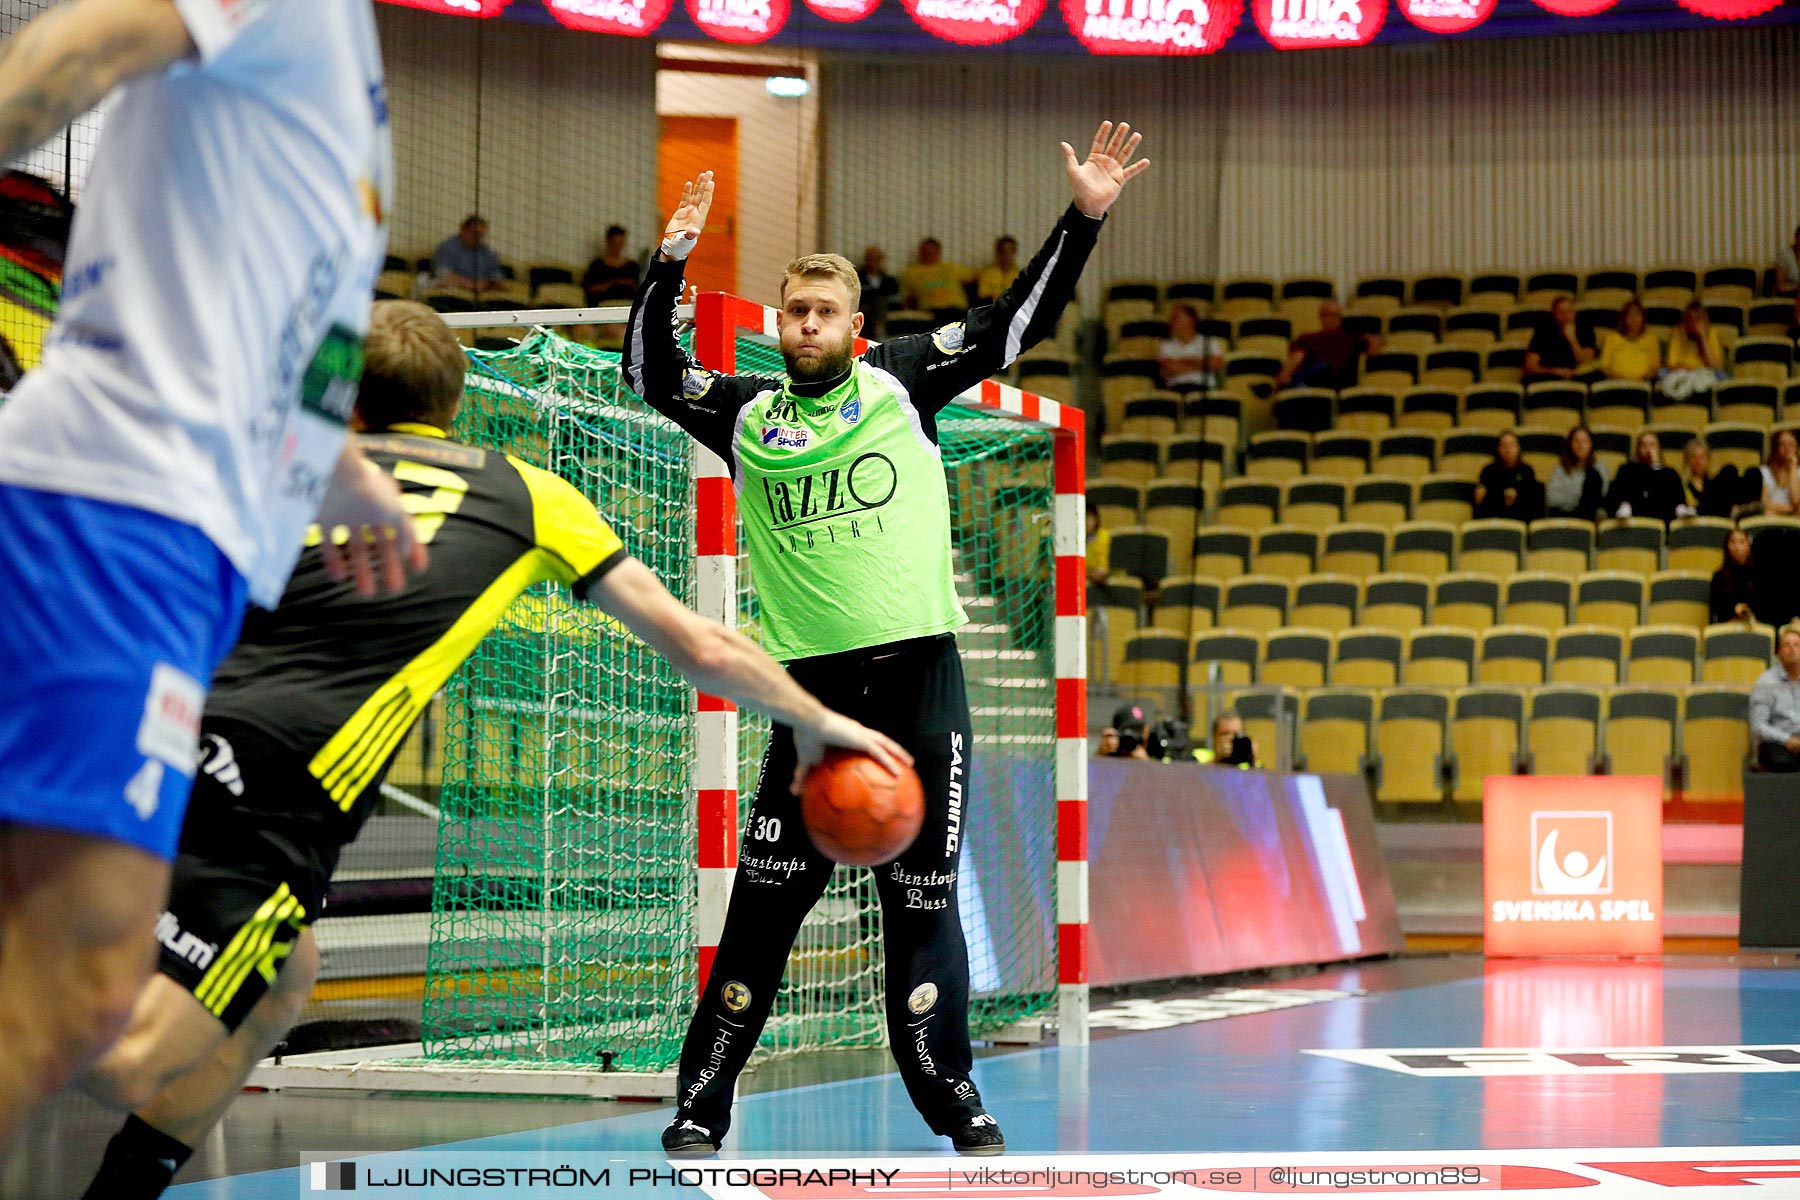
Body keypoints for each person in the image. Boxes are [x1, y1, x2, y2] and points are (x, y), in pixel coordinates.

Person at [67, 301, 907, 1200]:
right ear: (457, 405)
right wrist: (822, 722)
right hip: (278, 785)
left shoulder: (284, 461)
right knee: (123, 1060)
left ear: (351, 406)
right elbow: (700, 644)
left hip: (138, 728)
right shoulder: (525, 497)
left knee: (285, 974)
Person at [623, 119, 1149, 1158]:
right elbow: (651, 374)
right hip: (808, 706)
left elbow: (1010, 326)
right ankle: (700, 1107)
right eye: (794, 311)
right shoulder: (746, 415)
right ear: (778, 323)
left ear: (855, 324)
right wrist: (667, 264)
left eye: (825, 311)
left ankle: (956, 1103)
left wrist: (1082, 220)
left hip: (919, 685)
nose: (807, 325)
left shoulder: (901, 381)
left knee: (922, 905)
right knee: (760, 918)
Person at [0, 0, 421, 1160]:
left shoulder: (347, 71)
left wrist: (330, 465)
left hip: (176, 543)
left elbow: (262, 314)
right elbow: (80, 46)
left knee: (68, 975)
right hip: (118, 508)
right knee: (81, 979)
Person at [1271, 297, 1377, 391]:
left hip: (1341, 381)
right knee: (1317, 369)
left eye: (1335, 315)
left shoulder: (1352, 337)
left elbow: (1374, 348)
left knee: (1323, 367)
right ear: (1320, 317)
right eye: (1327, 315)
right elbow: (1296, 358)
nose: (1331, 319)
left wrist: (1365, 333)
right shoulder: (1308, 338)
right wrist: (1286, 372)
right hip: (1314, 383)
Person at [1606, 429, 1686, 522]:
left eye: (1652, 445)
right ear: (1638, 449)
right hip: (1633, 522)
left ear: (1659, 449)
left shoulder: (1670, 474)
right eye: (1644, 445)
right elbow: (1614, 498)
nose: (1648, 449)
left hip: (1663, 521)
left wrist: (1655, 466)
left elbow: (1666, 499)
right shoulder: (1626, 471)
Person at [1750, 627, 1800, 773]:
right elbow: (1758, 726)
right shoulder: (1766, 681)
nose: (1791, 649)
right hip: (1778, 744)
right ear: (1778, 653)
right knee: (1778, 759)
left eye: (1797, 645)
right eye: (1786, 645)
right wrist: (1787, 740)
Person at [1660, 302, 1730, 400]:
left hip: (1706, 373)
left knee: (1724, 376)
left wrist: (1703, 337)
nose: (1693, 322)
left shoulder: (1713, 333)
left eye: (1697, 318)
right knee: (1661, 373)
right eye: (1690, 319)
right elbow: (1671, 364)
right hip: (1683, 372)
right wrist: (1687, 369)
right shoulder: (1678, 332)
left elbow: (1716, 366)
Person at [1523, 295, 1599, 385]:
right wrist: (1556, 371)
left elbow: (1586, 362)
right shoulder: (1543, 330)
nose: (1565, 316)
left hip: (1577, 375)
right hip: (1550, 376)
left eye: (1568, 311)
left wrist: (1572, 339)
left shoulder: (1585, 328)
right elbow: (1530, 366)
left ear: (1574, 313)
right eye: (1560, 312)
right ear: (1554, 314)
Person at [1474, 430, 1545, 522]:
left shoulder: (1527, 471)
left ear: (1518, 448)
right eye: (1504, 446)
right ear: (1498, 449)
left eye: (1512, 445)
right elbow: (1482, 501)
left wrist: (1517, 496)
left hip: (1522, 520)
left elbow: (1532, 500)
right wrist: (1501, 497)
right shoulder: (1489, 471)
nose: (1508, 450)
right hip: (1495, 520)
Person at [900, 236, 974, 321]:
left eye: (931, 251)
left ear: (938, 251)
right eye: (925, 251)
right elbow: (906, 298)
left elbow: (973, 278)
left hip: (955, 309)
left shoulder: (951, 268)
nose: (928, 254)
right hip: (929, 312)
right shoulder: (910, 273)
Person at [1158, 302, 1225, 394]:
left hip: (1204, 389)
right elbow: (1169, 368)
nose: (1171, 321)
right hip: (1177, 390)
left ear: (1191, 320)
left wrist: (1182, 362)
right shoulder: (1166, 345)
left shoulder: (1208, 341)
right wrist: (1202, 363)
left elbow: (1216, 363)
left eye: (1176, 317)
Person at [1545, 425, 1607, 522]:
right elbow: (1552, 499)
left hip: (1590, 520)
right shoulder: (1560, 470)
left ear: (1591, 444)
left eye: (1584, 441)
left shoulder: (1599, 469)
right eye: (1576, 441)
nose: (1580, 445)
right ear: (1570, 444)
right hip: (1564, 519)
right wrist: (1581, 497)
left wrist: (1569, 494)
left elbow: (1602, 496)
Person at [431, 214, 505, 294]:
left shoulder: (487, 253)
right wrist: (471, 284)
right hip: (455, 294)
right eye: (475, 234)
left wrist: (487, 283)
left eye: (481, 235)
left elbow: (497, 278)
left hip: (483, 295)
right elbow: (443, 274)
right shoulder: (448, 247)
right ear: (463, 230)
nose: (478, 238)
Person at [1597, 299, 1661, 383]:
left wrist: (1642, 378)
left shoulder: (1651, 339)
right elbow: (1604, 366)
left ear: (1643, 318)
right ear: (1624, 318)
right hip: (1615, 383)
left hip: (1643, 384)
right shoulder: (1611, 338)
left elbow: (1656, 366)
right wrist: (1617, 378)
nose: (1634, 318)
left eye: (1638, 314)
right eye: (1630, 314)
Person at [1680, 439, 1744, 520]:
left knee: (1730, 470)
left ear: (1708, 459)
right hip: (1694, 526)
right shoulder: (1684, 485)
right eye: (1694, 457)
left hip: (1717, 521)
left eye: (1702, 457)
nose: (1698, 461)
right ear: (1688, 460)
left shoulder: (1716, 483)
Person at [1711, 529, 1763, 626]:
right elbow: (1716, 609)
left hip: (1755, 624)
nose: (1737, 547)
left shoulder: (1759, 574)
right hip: (1727, 625)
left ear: (1748, 546)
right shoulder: (1719, 577)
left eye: (1741, 542)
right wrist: (1734, 610)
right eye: (1733, 542)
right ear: (1727, 546)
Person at [581, 225, 640, 306]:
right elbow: (589, 289)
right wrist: (611, 284)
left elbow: (637, 287)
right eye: (615, 243)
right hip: (604, 304)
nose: (618, 247)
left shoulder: (631, 266)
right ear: (608, 242)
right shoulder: (597, 266)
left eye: (621, 243)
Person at [856, 246, 900, 337]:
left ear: (881, 260)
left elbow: (895, 298)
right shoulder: (857, 279)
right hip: (865, 310)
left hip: (885, 311)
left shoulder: (889, 280)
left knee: (880, 303)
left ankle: (880, 330)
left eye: (876, 259)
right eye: (870, 259)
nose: (873, 262)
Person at [1192, 712, 1258, 768]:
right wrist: (1217, 759)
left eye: (1236, 734)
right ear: (1214, 735)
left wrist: (1252, 760)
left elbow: (1258, 780)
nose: (1231, 738)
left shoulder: (1249, 761)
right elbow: (1194, 776)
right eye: (1225, 734)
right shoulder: (1199, 757)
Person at [1761, 429, 1799, 517]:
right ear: (1775, 448)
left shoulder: (1798, 472)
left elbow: (1796, 500)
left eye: (1791, 445)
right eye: (1782, 445)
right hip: (1771, 516)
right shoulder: (1765, 472)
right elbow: (1765, 503)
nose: (1787, 449)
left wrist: (1793, 466)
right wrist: (1791, 509)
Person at [975, 235, 1020, 302]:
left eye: (1009, 252)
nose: (1006, 256)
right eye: (1003, 252)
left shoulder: (1020, 275)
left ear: (1015, 253)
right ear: (997, 253)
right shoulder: (987, 273)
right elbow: (983, 295)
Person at [1086, 499, 1112, 586]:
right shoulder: (1071, 539)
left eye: (1089, 515)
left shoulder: (1103, 536)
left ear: (1096, 518)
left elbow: (1101, 574)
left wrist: (1086, 573)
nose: (1086, 520)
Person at [1775, 224, 1800, 297]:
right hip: (1788, 295)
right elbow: (1780, 286)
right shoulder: (1784, 255)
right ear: (1796, 238)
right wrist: (1796, 288)